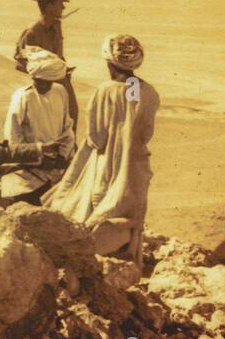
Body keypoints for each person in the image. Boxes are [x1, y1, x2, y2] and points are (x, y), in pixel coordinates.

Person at [46, 34, 159, 263]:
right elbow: (145, 132)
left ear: (110, 63)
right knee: (131, 216)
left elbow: (96, 137)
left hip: (107, 163)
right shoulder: (149, 92)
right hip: (136, 167)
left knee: (96, 209)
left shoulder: (105, 90)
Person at [0, 48, 76, 205]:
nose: (42, 85)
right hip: (28, 175)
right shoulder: (23, 96)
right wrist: (37, 158)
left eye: (46, 82)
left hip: (55, 170)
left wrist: (62, 156)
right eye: (38, 81)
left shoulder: (60, 92)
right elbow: (13, 136)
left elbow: (67, 127)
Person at [13, 0, 78, 128]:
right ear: (49, 6)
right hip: (43, 87)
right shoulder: (31, 33)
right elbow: (20, 62)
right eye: (60, 4)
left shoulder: (56, 26)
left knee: (72, 116)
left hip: (62, 81)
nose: (63, 8)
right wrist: (45, 73)